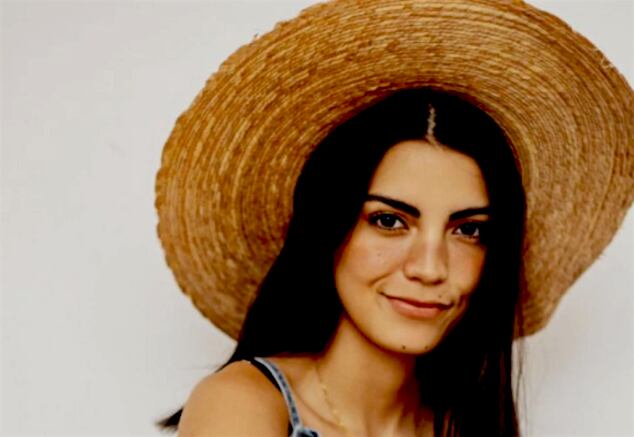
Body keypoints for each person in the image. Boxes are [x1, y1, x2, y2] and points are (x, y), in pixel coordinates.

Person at [153, 0, 633, 436]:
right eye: (389, 221)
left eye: (468, 230)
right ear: (328, 229)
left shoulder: (463, 425)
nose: (429, 268)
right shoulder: (243, 404)